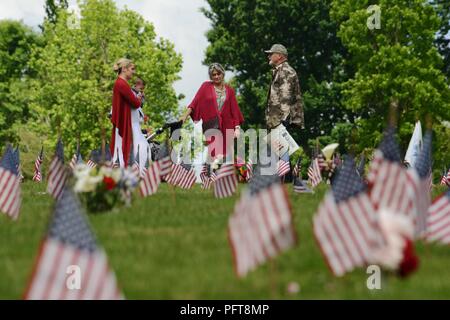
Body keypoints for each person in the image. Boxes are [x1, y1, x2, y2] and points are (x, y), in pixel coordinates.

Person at [180, 63, 244, 162]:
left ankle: (229, 176)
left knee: (229, 158)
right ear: (210, 76)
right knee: (215, 157)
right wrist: (184, 116)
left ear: (223, 74)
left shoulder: (229, 91)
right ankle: (213, 176)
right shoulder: (205, 87)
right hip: (212, 127)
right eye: (213, 75)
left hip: (228, 127)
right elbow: (194, 103)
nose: (216, 76)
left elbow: (234, 110)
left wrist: (237, 128)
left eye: (218, 74)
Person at [110, 58, 142, 168]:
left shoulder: (121, 83)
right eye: (132, 69)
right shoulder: (122, 84)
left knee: (120, 149)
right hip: (122, 125)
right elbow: (135, 103)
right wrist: (138, 98)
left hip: (122, 123)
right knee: (121, 149)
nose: (133, 72)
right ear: (124, 69)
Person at [265, 44, 304, 131]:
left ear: (279, 56)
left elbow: (285, 97)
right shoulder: (280, 70)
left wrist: (282, 122)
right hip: (276, 121)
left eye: (271, 54)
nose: (268, 56)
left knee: (281, 144)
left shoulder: (285, 71)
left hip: (280, 122)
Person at [130, 77, 150, 175]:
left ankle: (142, 173)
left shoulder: (139, 103)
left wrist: (145, 130)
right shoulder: (131, 95)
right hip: (130, 130)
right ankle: (140, 173)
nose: (143, 93)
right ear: (137, 85)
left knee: (144, 148)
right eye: (142, 89)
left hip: (136, 130)